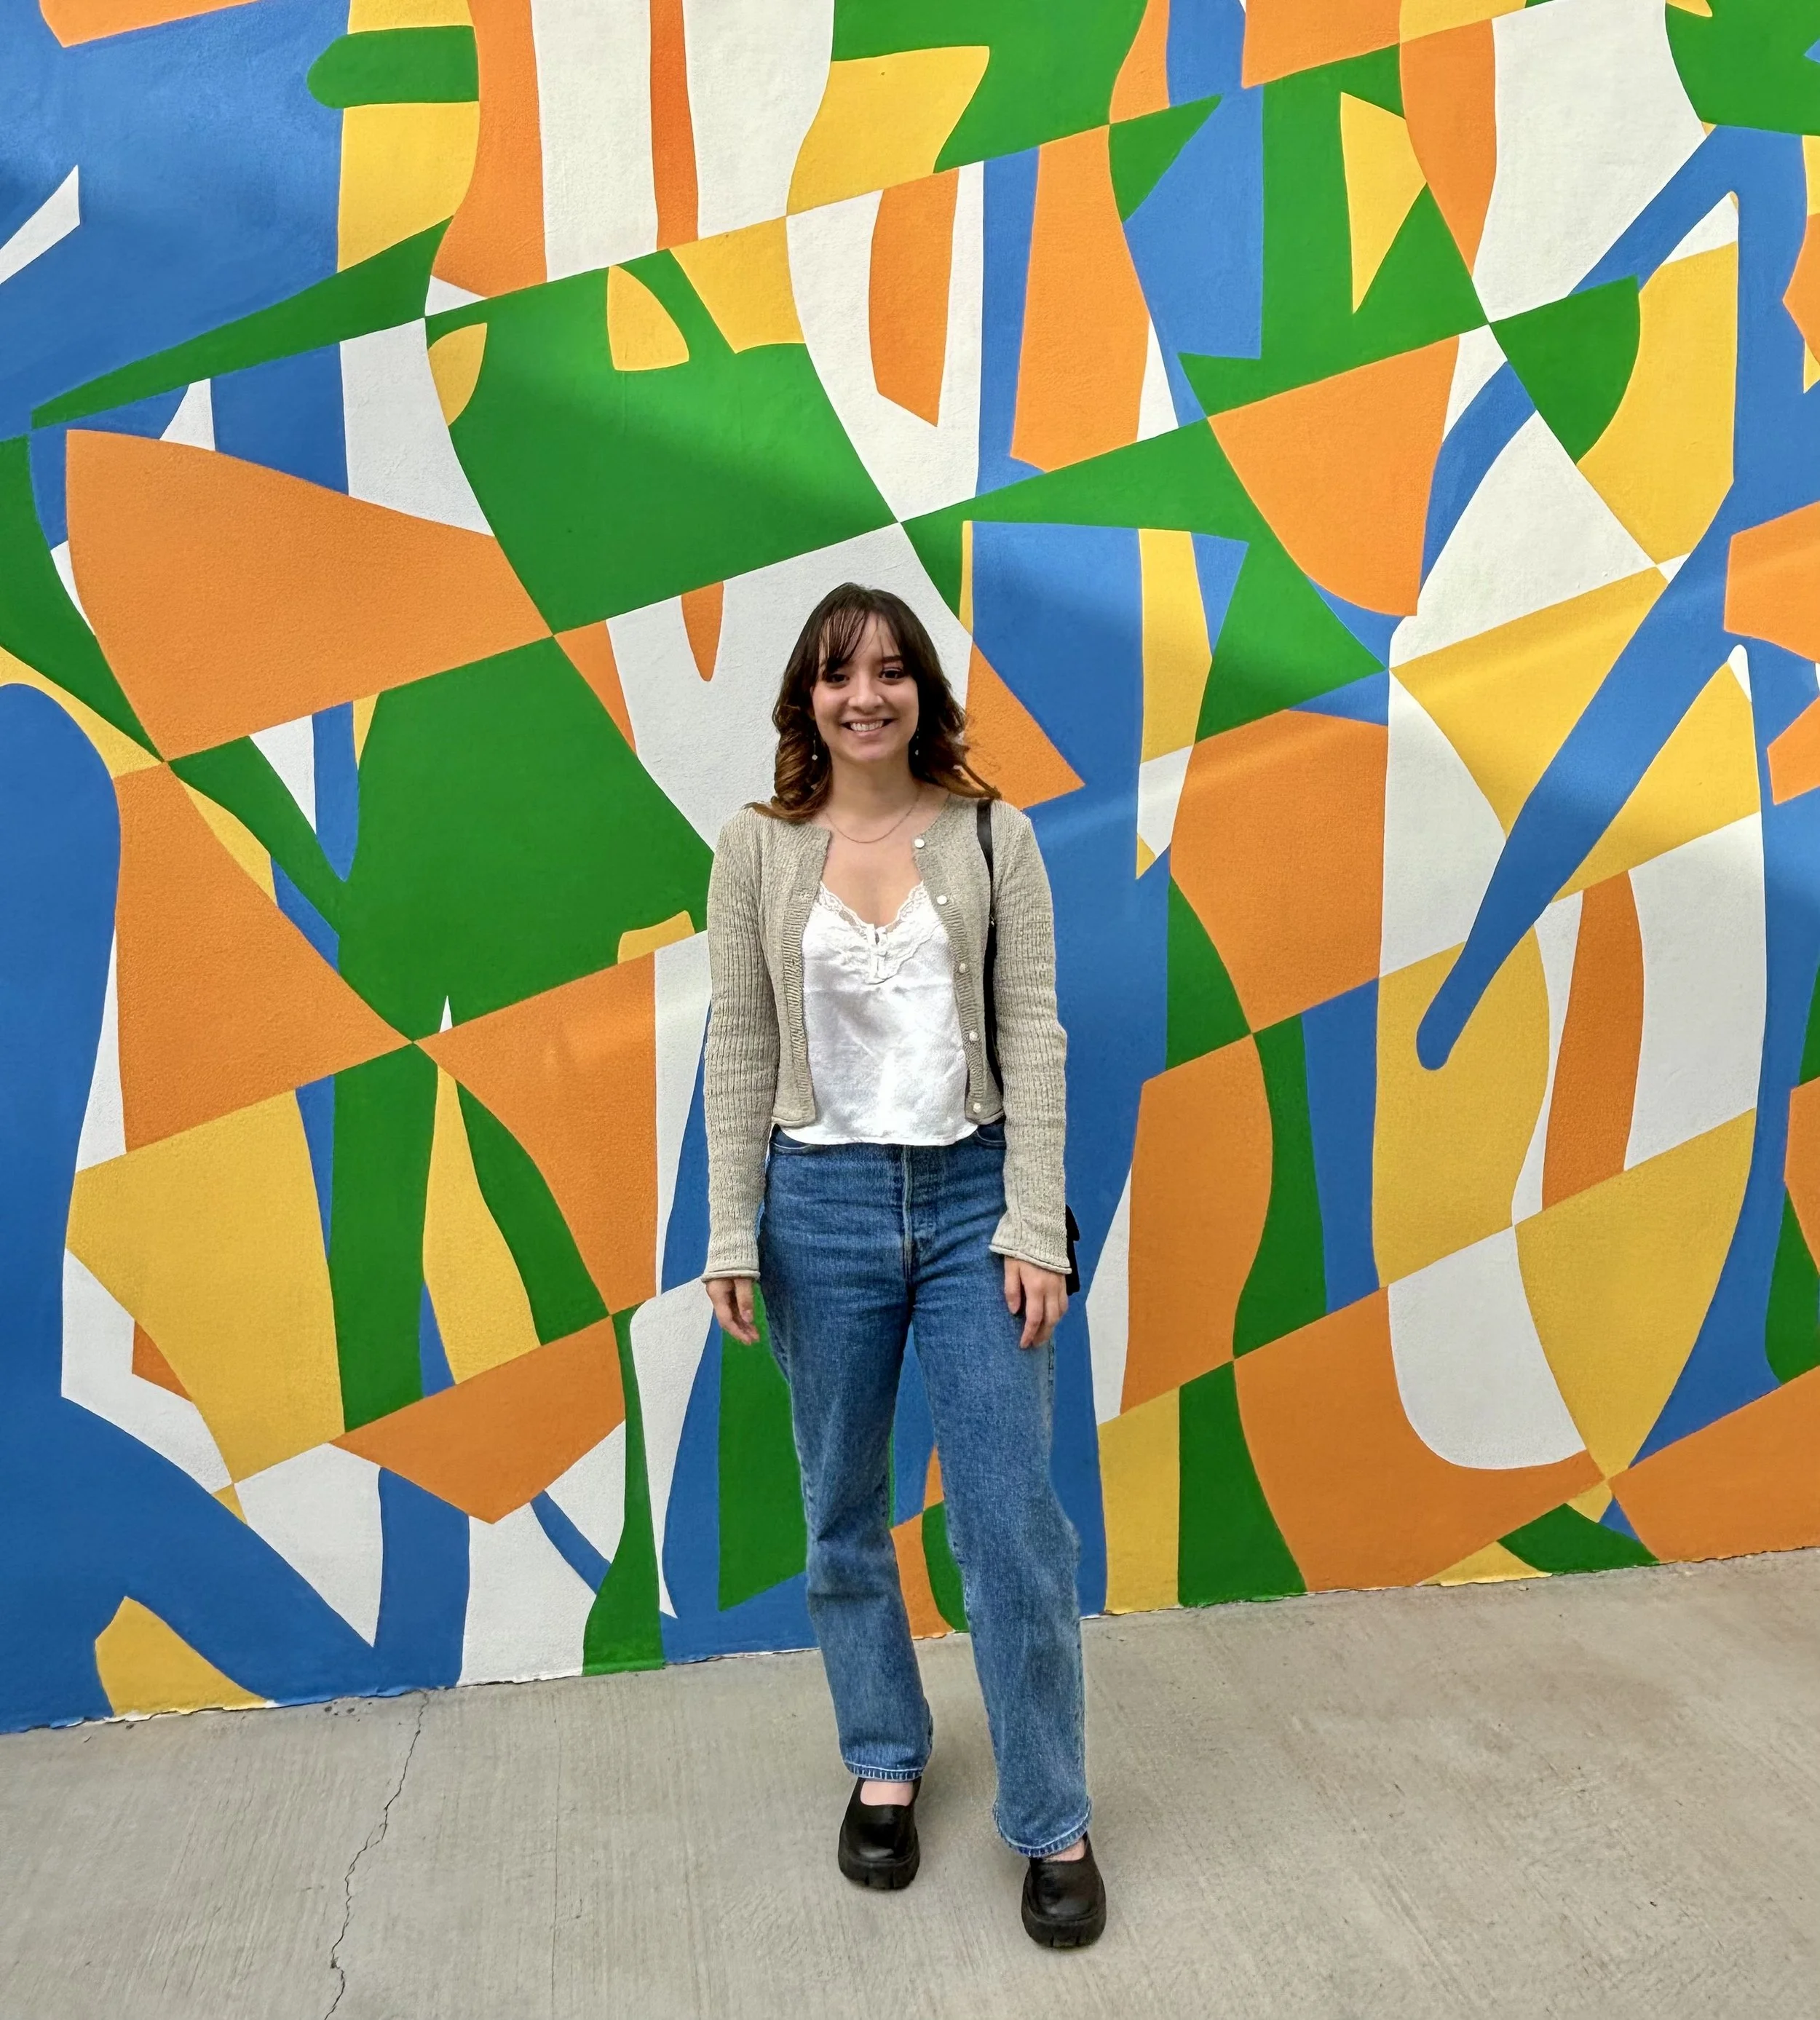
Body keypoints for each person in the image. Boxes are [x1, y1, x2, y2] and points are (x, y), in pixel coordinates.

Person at [701, 583, 1105, 1949]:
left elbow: (1036, 1034)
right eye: (836, 674)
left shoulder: (999, 835)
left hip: (974, 1198)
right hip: (815, 1207)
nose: (862, 695)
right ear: (805, 699)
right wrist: (730, 1227)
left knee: (1011, 1527)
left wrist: (1036, 1221)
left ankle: (1052, 1814)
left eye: (888, 671)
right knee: (840, 1509)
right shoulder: (756, 848)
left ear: (924, 691)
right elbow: (740, 1045)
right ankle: (885, 1748)